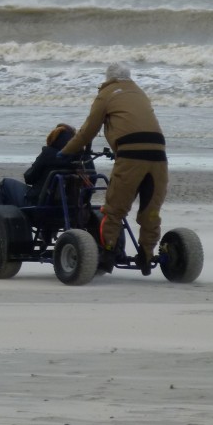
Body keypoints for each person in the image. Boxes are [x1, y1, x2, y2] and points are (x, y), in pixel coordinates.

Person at [60, 62, 167, 275]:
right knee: (151, 211)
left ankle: (107, 254)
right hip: (159, 155)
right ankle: (146, 256)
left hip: (130, 156)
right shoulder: (140, 93)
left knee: (114, 209)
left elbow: (88, 130)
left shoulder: (106, 94)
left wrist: (66, 150)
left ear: (108, 79)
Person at [0, 123, 82, 207]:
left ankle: (1, 217)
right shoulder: (79, 158)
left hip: (39, 206)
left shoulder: (48, 153)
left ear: (54, 137)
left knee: (5, 184)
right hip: (68, 207)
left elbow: (29, 178)